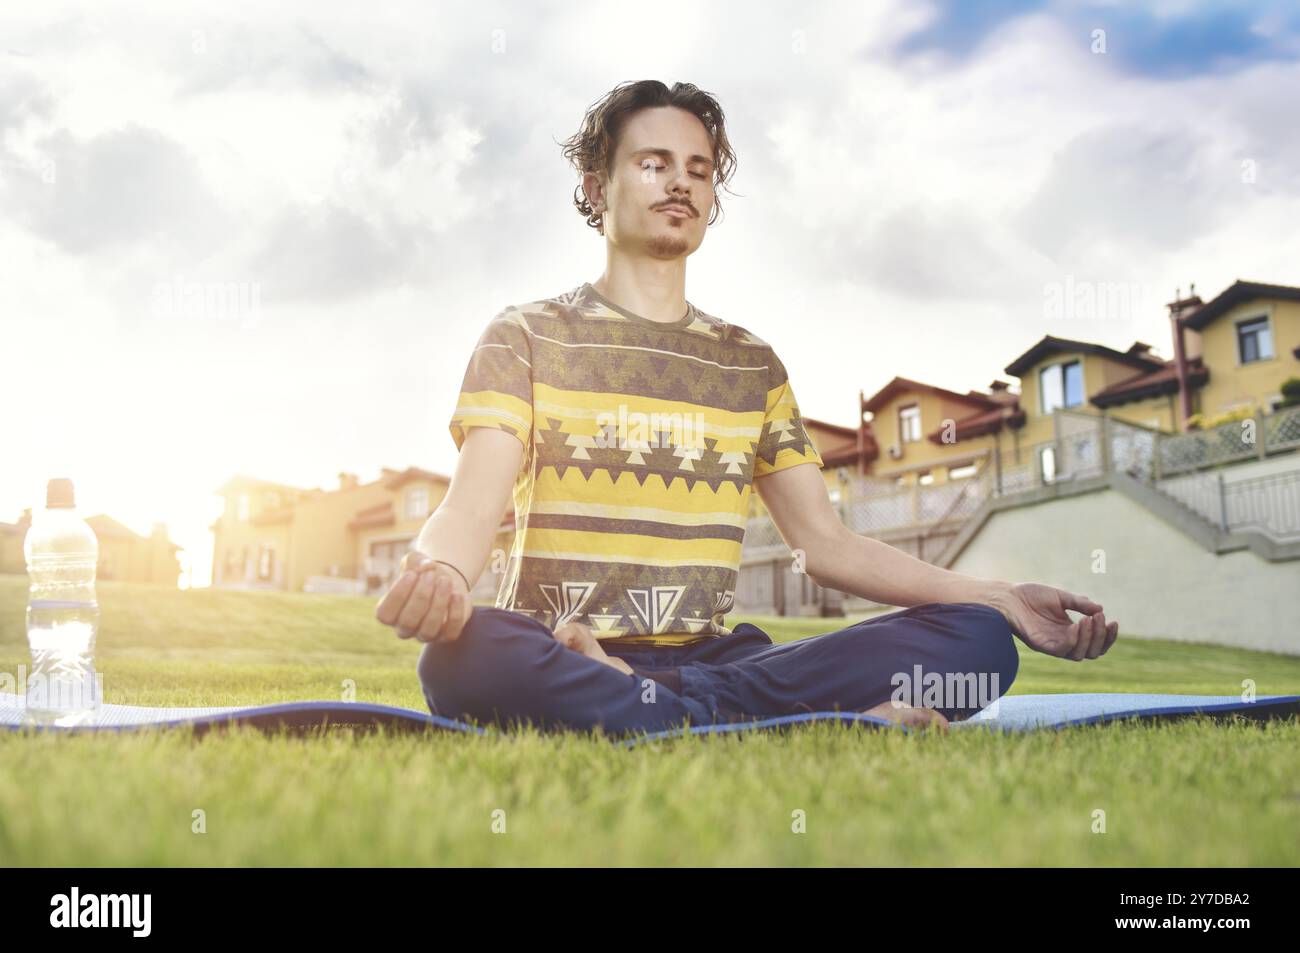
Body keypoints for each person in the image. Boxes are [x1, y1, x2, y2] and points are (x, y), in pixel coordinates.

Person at [375, 80, 1119, 737]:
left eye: (698, 170)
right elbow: (472, 507)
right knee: (463, 660)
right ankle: (789, 728)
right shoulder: (525, 336)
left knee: (980, 644)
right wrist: (440, 568)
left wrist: (999, 596)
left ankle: (661, 708)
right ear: (597, 185)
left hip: (720, 661)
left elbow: (825, 545)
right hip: (563, 645)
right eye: (654, 163)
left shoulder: (751, 364)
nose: (681, 184)